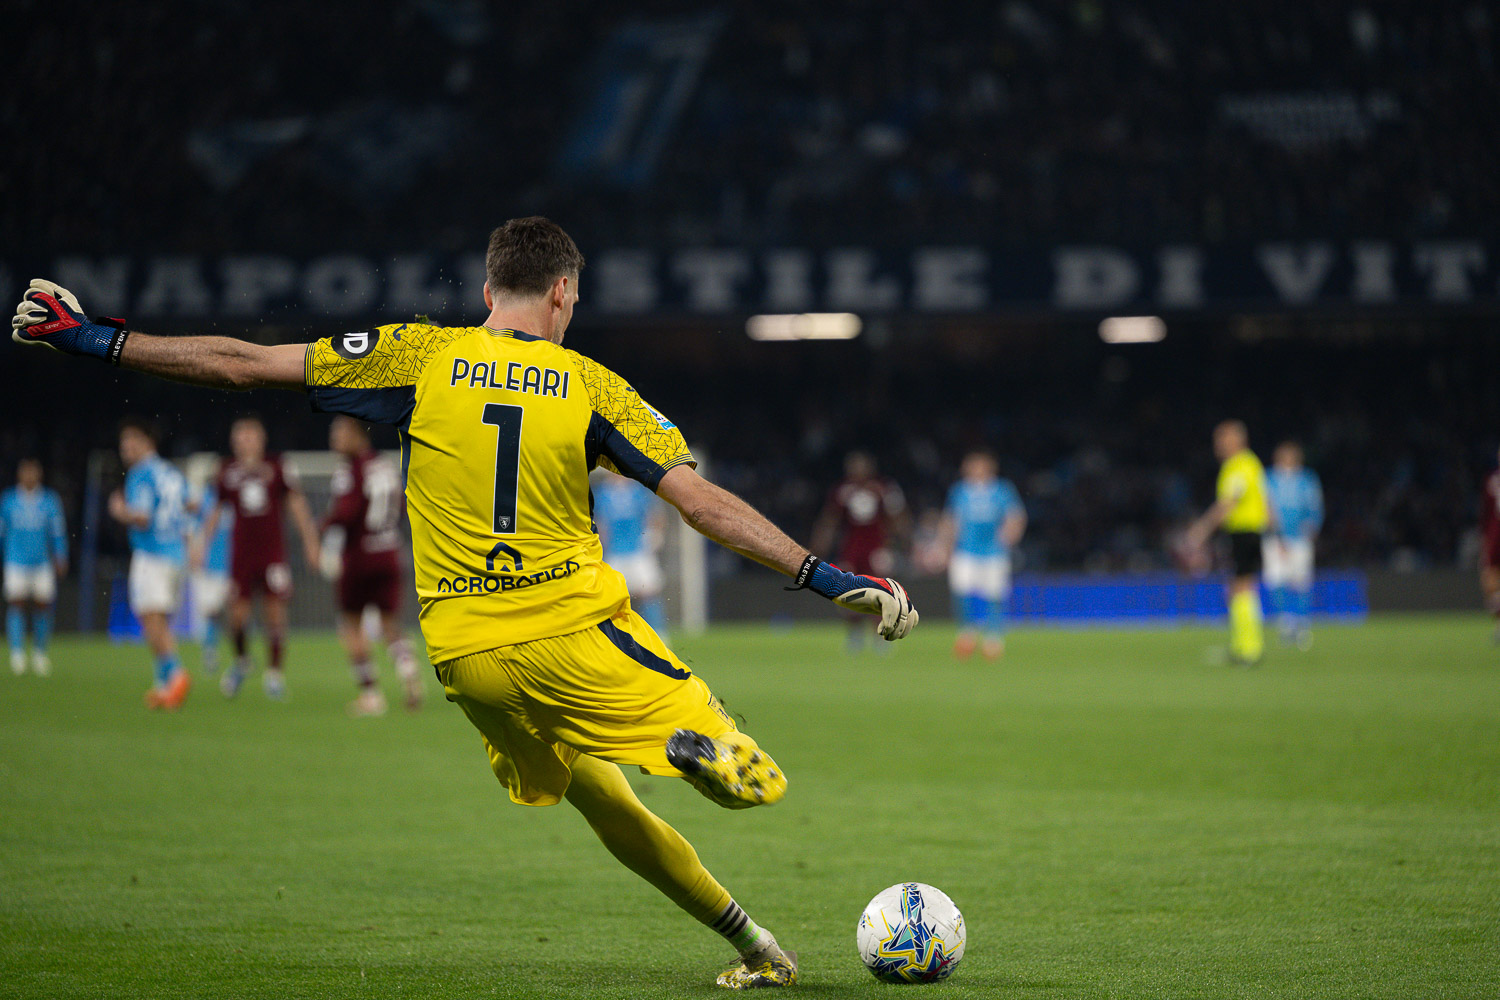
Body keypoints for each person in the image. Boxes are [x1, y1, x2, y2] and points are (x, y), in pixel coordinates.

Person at [11, 217, 917, 991]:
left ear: (489, 289)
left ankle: (754, 947)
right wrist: (828, 576)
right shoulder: (597, 388)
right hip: (577, 633)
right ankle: (695, 746)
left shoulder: (419, 356)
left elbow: (243, 365)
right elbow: (700, 503)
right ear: (562, 294)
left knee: (600, 798)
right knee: (757, 779)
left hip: (466, 657)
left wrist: (93, 339)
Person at [200, 414, 320, 701]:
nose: (245, 441)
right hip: (241, 555)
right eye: (240, 437)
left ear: (261, 439)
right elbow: (215, 510)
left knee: (275, 615)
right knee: (237, 618)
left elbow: (296, 504)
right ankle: (242, 661)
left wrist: (310, 541)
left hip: (272, 554)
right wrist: (201, 544)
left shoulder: (277, 466)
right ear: (233, 441)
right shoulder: (226, 470)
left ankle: (275, 675)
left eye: (250, 435)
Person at [321, 415, 422, 717]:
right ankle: (410, 677)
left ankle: (370, 694)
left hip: (360, 557)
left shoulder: (352, 470)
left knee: (351, 625)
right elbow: (402, 507)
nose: (334, 439)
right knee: (391, 624)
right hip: (390, 552)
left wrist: (322, 524)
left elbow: (347, 513)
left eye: (339, 432)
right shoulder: (386, 466)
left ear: (356, 434)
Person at [109, 419, 192, 709]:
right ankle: (163, 685)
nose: (126, 448)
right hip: (176, 555)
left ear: (148, 442)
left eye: (132, 440)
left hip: (152, 555)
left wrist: (120, 511)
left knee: (150, 620)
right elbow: (192, 504)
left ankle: (177, 674)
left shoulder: (140, 474)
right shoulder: (169, 472)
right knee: (162, 623)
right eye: (123, 443)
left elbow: (141, 517)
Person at [1186, 420, 1269, 666]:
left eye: (1222, 439)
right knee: (1241, 587)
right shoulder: (1250, 463)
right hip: (1249, 530)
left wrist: (1201, 529)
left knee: (1241, 587)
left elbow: (1229, 502)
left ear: (1236, 440)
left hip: (1244, 531)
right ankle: (1245, 646)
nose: (1218, 444)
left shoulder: (1239, 465)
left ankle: (1249, 649)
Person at [931, 451, 1026, 660]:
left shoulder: (1002, 490)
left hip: (994, 552)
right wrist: (944, 547)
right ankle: (967, 634)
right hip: (965, 551)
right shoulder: (960, 491)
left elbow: (1016, 516)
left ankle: (993, 639)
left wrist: (1010, 535)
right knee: (961, 592)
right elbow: (951, 520)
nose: (974, 470)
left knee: (995, 595)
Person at [809, 451, 908, 651]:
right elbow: (830, 520)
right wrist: (819, 545)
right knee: (847, 591)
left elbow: (897, 516)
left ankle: (881, 634)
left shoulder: (883, 489)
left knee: (881, 591)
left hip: (877, 548)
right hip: (851, 549)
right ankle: (854, 633)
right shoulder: (843, 491)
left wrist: (904, 541)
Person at [1, 459, 67, 676]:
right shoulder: (8, 501)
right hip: (15, 561)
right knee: (16, 604)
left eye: (33, 472)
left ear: (39, 474)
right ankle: (17, 654)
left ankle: (40, 653)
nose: (29, 476)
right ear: (19, 475)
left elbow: (57, 532)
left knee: (43, 606)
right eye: (25, 472)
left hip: (42, 563)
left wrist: (60, 555)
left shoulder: (49, 500)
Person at [592, 469, 670, 639]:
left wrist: (654, 535)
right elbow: (599, 521)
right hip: (614, 554)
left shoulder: (638, 491)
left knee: (650, 593)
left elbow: (655, 515)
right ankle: (611, 637)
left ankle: (659, 636)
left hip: (639, 552)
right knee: (610, 598)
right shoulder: (601, 493)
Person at [1263, 442, 1323, 649]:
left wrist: (1308, 531)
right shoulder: (1268, 478)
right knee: (1276, 580)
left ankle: (1302, 624)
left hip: (1300, 539)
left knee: (1301, 582)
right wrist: (1276, 536)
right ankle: (1287, 623)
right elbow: (1264, 508)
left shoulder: (1307, 479)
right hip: (1274, 540)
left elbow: (1315, 507)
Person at [189, 480, 233, 674]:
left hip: (232, 564)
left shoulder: (234, 499)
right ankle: (210, 652)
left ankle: (240, 656)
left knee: (235, 610)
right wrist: (195, 551)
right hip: (208, 565)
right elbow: (190, 528)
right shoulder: (204, 500)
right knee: (209, 612)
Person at [1481, 446, 1500, 644]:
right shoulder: (1492, 479)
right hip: (1495, 537)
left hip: (1494, 536)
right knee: (1490, 579)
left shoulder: (1492, 480)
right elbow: (1486, 513)